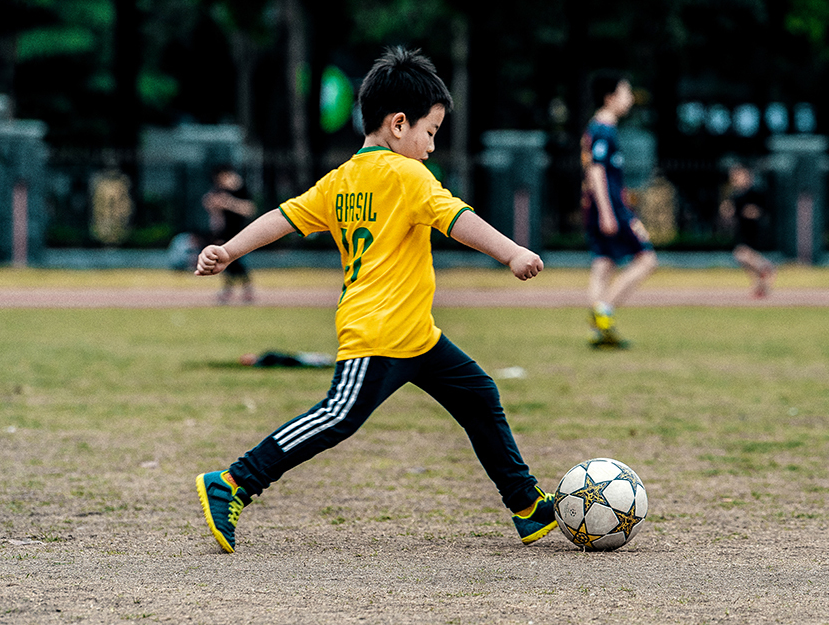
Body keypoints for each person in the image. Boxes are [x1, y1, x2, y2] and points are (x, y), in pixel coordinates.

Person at [194, 46, 556, 553]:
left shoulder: (340, 180)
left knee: (478, 394)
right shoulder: (408, 176)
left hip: (415, 335)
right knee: (338, 416)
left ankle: (525, 504)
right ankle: (233, 482)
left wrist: (229, 250)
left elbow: (282, 217)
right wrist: (513, 252)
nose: (431, 147)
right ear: (399, 124)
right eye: (430, 133)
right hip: (380, 331)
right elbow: (457, 218)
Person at [580, 70, 657, 348]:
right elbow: (597, 172)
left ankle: (598, 331)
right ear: (610, 97)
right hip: (610, 207)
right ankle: (604, 313)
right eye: (625, 93)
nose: (630, 99)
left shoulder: (596, 127)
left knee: (603, 264)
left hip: (595, 207)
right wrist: (608, 213)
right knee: (647, 259)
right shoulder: (603, 129)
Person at [719, 158, 776, 298]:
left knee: (741, 255)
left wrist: (755, 213)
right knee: (745, 260)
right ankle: (761, 286)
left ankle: (765, 267)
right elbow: (729, 211)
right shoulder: (735, 195)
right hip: (743, 230)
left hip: (755, 230)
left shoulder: (755, 192)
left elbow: (767, 209)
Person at [202, 165, 257, 303]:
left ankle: (243, 290)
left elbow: (250, 209)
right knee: (227, 262)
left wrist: (228, 203)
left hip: (241, 232)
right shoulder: (220, 190)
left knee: (239, 262)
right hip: (225, 233)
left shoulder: (241, 190)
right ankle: (234, 290)